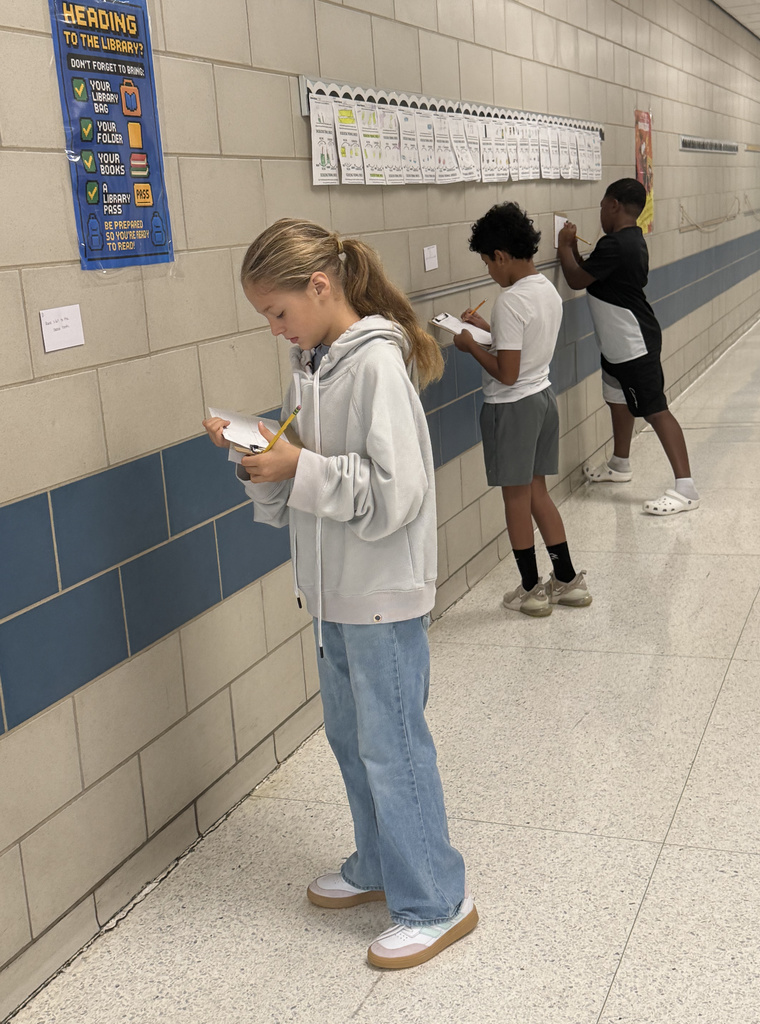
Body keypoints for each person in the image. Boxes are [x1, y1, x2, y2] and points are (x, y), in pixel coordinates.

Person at [202, 219, 477, 970]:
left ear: (320, 286)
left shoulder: (375, 366)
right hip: (330, 595)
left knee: (394, 747)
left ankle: (437, 901)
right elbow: (312, 471)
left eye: (278, 311)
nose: (273, 327)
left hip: (381, 596)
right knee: (353, 740)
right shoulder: (314, 363)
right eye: (264, 315)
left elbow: (398, 494)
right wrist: (265, 461)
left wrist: (299, 468)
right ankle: (380, 864)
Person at [456, 201, 591, 616]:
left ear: (500, 256)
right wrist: (488, 331)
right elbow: (522, 344)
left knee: (515, 500)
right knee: (537, 493)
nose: (489, 273)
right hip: (543, 400)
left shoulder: (509, 300)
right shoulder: (544, 289)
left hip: (512, 408)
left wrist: (470, 345)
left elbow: (506, 373)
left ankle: (531, 589)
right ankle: (567, 581)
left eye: (488, 264)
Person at [557, 178, 700, 515]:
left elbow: (577, 279)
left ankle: (686, 488)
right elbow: (590, 271)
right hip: (616, 345)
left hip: (634, 344)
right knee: (616, 400)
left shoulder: (616, 245)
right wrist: (575, 252)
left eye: (602, 206)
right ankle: (620, 464)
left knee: (654, 409)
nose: (601, 213)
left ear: (613, 205)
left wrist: (564, 246)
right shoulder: (629, 240)